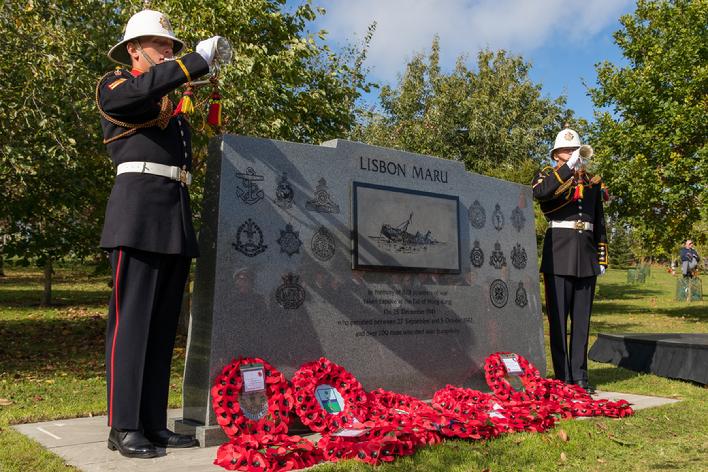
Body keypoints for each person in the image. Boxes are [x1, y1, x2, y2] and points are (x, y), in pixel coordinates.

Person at [97, 9, 221, 458]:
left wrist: (185, 73)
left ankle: (151, 421)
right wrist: (191, 63)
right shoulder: (115, 85)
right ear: (135, 49)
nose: (170, 52)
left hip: (172, 216)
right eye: (162, 45)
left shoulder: (167, 100)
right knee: (131, 326)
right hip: (137, 217)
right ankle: (123, 425)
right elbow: (137, 95)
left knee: (161, 328)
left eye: (172, 46)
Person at [531, 127, 609, 394]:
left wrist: (602, 254)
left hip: (586, 254)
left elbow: (599, 220)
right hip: (559, 253)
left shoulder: (592, 182)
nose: (573, 154)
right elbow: (542, 195)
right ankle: (562, 378)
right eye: (567, 151)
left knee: (582, 321)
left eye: (576, 150)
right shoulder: (547, 175)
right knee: (558, 321)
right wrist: (567, 170)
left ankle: (580, 377)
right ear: (556, 155)